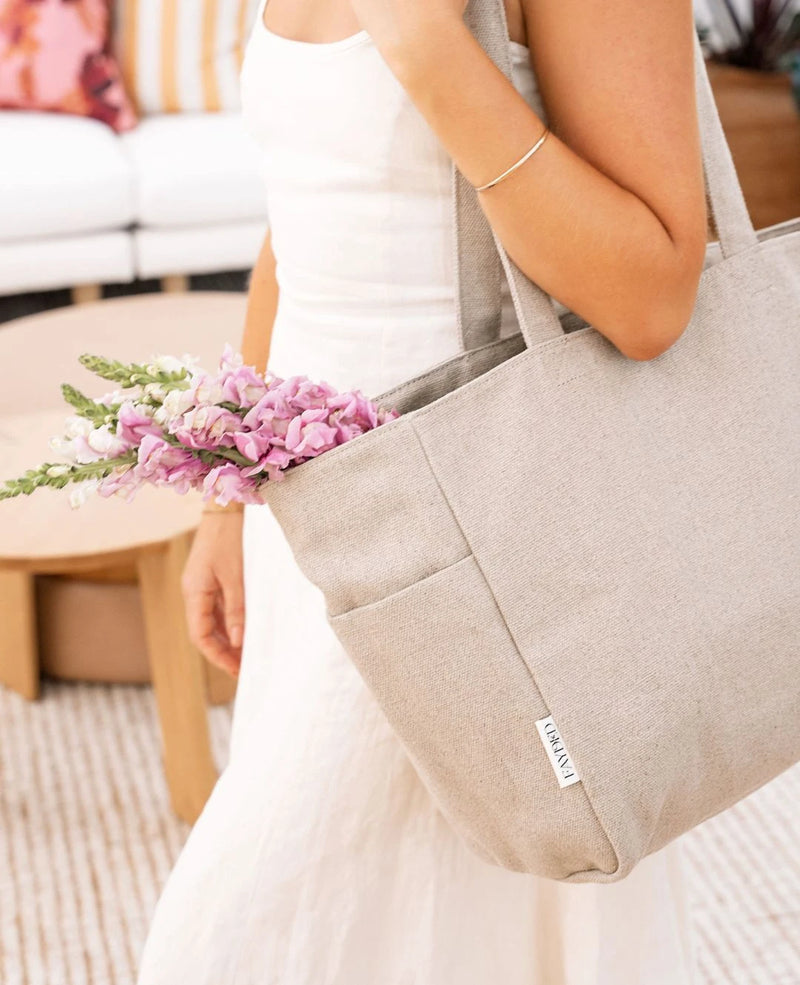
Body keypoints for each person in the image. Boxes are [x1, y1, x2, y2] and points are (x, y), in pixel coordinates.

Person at [136, 0, 707, 981]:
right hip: (310, 512)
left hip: (468, 526)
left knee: (243, 926)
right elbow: (302, 218)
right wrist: (225, 493)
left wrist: (429, 48)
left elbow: (649, 297)